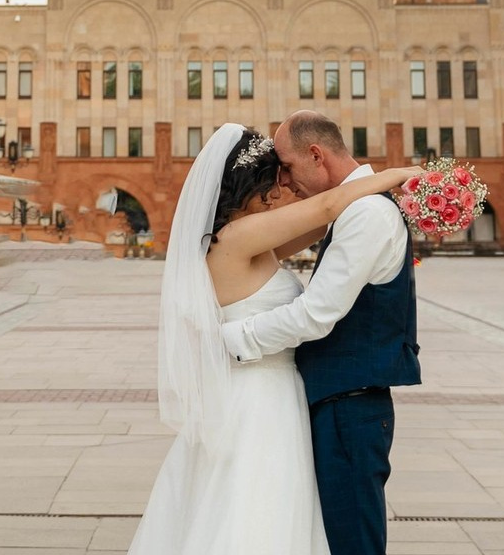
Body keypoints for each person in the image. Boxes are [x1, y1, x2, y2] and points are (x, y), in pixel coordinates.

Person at [128, 122, 419, 555]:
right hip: (259, 395)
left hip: (267, 391)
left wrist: (387, 204)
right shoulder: (238, 237)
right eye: (276, 174)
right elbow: (327, 208)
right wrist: (394, 176)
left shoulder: (247, 241)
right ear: (250, 182)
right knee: (258, 509)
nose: (283, 184)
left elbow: (325, 224)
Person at [222, 111, 421, 555]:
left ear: (316, 154)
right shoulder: (357, 207)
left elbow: (316, 315)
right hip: (338, 398)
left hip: (348, 402)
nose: (287, 183)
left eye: (288, 167)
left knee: (352, 539)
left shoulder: (366, 213)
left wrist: (228, 341)